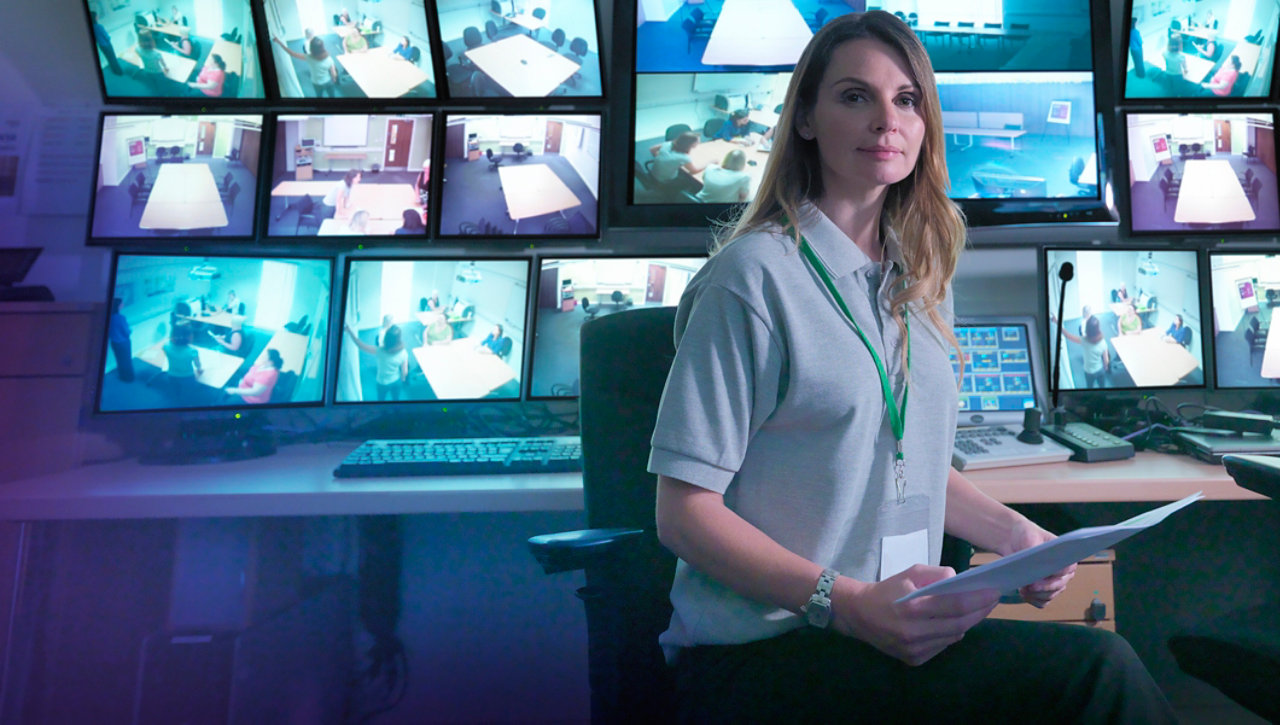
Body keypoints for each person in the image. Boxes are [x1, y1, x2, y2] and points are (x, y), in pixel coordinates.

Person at [648, 11, 1174, 722]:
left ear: (925, 123)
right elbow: (683, 515)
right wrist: (848, 602)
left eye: (906, 99)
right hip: (767, 649)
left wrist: (1020, 538)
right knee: (1095, 675)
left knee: (1099, 666)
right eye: (854, 96)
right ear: (805, 117)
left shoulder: (920, 277)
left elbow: (908, 460)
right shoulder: (752, 278)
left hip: (897, 632)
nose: (884, 120)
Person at [345, 322, 408, 401]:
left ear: (386, 338)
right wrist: (403, 378)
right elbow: (404, 371)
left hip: (382, 382)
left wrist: (350, 331)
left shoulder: (380, 351)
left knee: (381, 400)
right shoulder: (403, 352)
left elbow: (360, 345)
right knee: (396, 399)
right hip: (396, 381)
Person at [273, 35, 338, 98]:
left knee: (319, 97)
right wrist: (334, 79)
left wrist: (279, 42)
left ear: (311, 48)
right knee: (332, 96)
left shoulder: (308, 57)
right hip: (328, 82)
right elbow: (333, 74)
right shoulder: (329, 59)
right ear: (322, 47)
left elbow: (292, 53)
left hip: (316, 83)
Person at [1060, 315, 1111, 388]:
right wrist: (1105, 367)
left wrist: (1056, 322)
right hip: (1100, 370)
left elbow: (1067, 335)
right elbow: (1106, 360)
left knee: (1089, 387)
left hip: (1088, 371)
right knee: (1102, 386)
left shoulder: (1084, 340)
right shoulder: (1103, 343)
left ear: (1087, 329)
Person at [163, 322, 204, 404]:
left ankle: (175, 401)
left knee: (175, 390)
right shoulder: (192, 351)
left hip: (172, 375)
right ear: (189, 337)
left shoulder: (166, 346)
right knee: (188, 393)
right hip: (187, 377)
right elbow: (197, 364)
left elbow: (169, 355)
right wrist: (199, 369)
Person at [109, 297, 134, 382]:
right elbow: (127, 332)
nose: (123, 304)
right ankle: (129, 378)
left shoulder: (109, 317)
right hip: (123, 343)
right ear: (118, 306)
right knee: (127, 360)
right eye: (121, 303)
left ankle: (122, 376)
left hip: (114, 343)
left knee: (119, 360)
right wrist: (130, 330)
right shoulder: (121, 318)